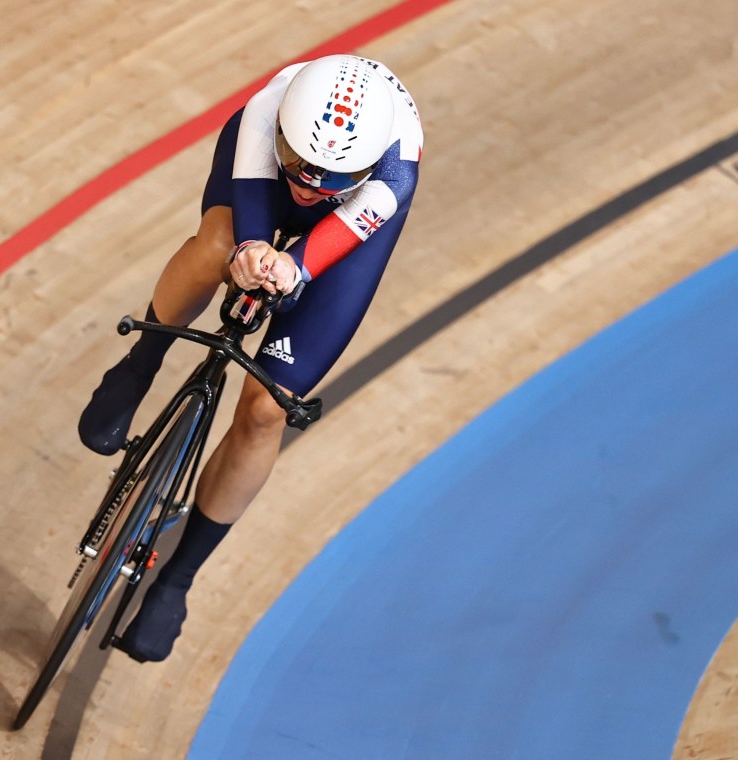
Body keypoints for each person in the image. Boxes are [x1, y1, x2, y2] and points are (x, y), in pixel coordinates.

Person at [78, 54, 423, 662]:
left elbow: (319, 251)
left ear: (365, 167)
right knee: (218, 243)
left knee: (267, 409)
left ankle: (176, 581)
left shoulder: (392, 175)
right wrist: (253, 253)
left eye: (330, 177)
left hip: (348, 228)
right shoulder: (268, 112)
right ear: (284, 135)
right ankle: (141, 363)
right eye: (298, 164)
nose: (310, 184)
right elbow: (254, 220)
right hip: (254, 183)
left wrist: (297, 267)